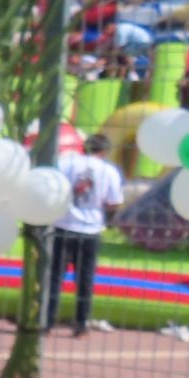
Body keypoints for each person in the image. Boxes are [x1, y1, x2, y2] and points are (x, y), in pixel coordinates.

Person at [44, 133, 124, 337]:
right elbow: (114, 202)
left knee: (54, 277)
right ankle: (80, 324)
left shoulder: (65, 163)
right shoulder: (109, 170)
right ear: (104, 151)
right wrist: (108, 217)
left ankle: (47, 321)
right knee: (85, 279)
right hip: (90, 229)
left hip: (63, 225)